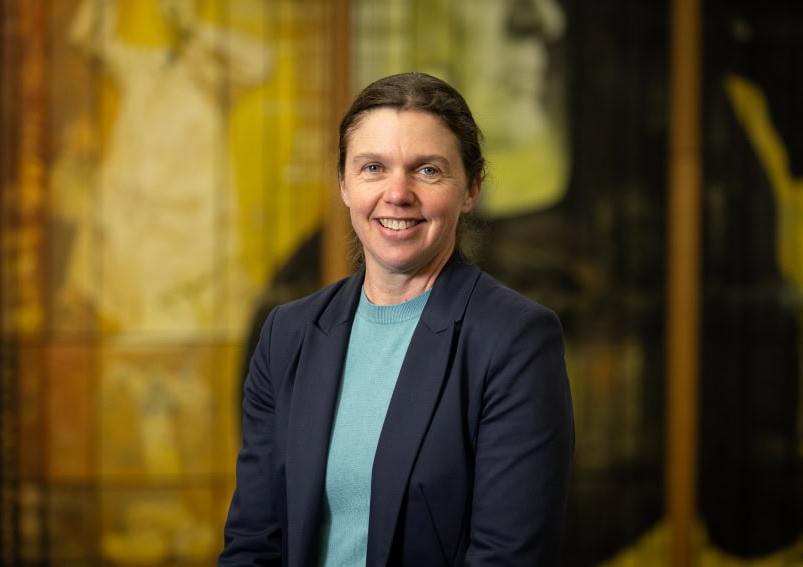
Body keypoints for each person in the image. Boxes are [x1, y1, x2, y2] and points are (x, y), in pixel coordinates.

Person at [219, 72, 575, 566]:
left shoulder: (514, 340)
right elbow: (252, 543)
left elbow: (509, 557)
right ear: (344, 184)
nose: (397, 193)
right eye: (373, 167)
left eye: (427, 170)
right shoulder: (287, 336)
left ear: (470, 189)